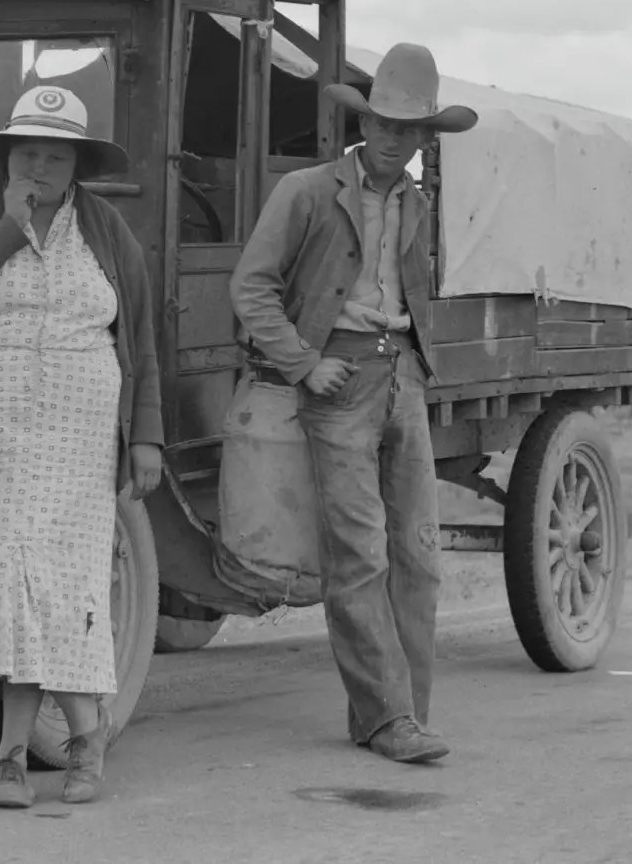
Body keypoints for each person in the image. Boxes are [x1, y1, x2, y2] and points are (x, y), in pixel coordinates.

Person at [230, 44, 478, 765]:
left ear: (427, 136)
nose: (397, 140)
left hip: (401, 376)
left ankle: (402, 714)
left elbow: (410, 297)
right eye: (385, 125)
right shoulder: (308, 191)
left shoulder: (415, 201)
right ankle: (389, 718)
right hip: (339, 383)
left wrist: (417, 368)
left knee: (419, 558)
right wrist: (305, 363)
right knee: (360, 556)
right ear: (364, 122)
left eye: (411, 130)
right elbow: (252, 288)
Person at [0, 85, 164, 809]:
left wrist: (146, 435)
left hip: (82, 432)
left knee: (72, 584)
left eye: (55, 155)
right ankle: (15, 754)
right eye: (26, 151)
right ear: (6, 156)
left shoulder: (105, 227)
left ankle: (79, 746)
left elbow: (142, 338)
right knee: (4, 576)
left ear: (76, 165)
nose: (39, 166)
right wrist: (6, 226)